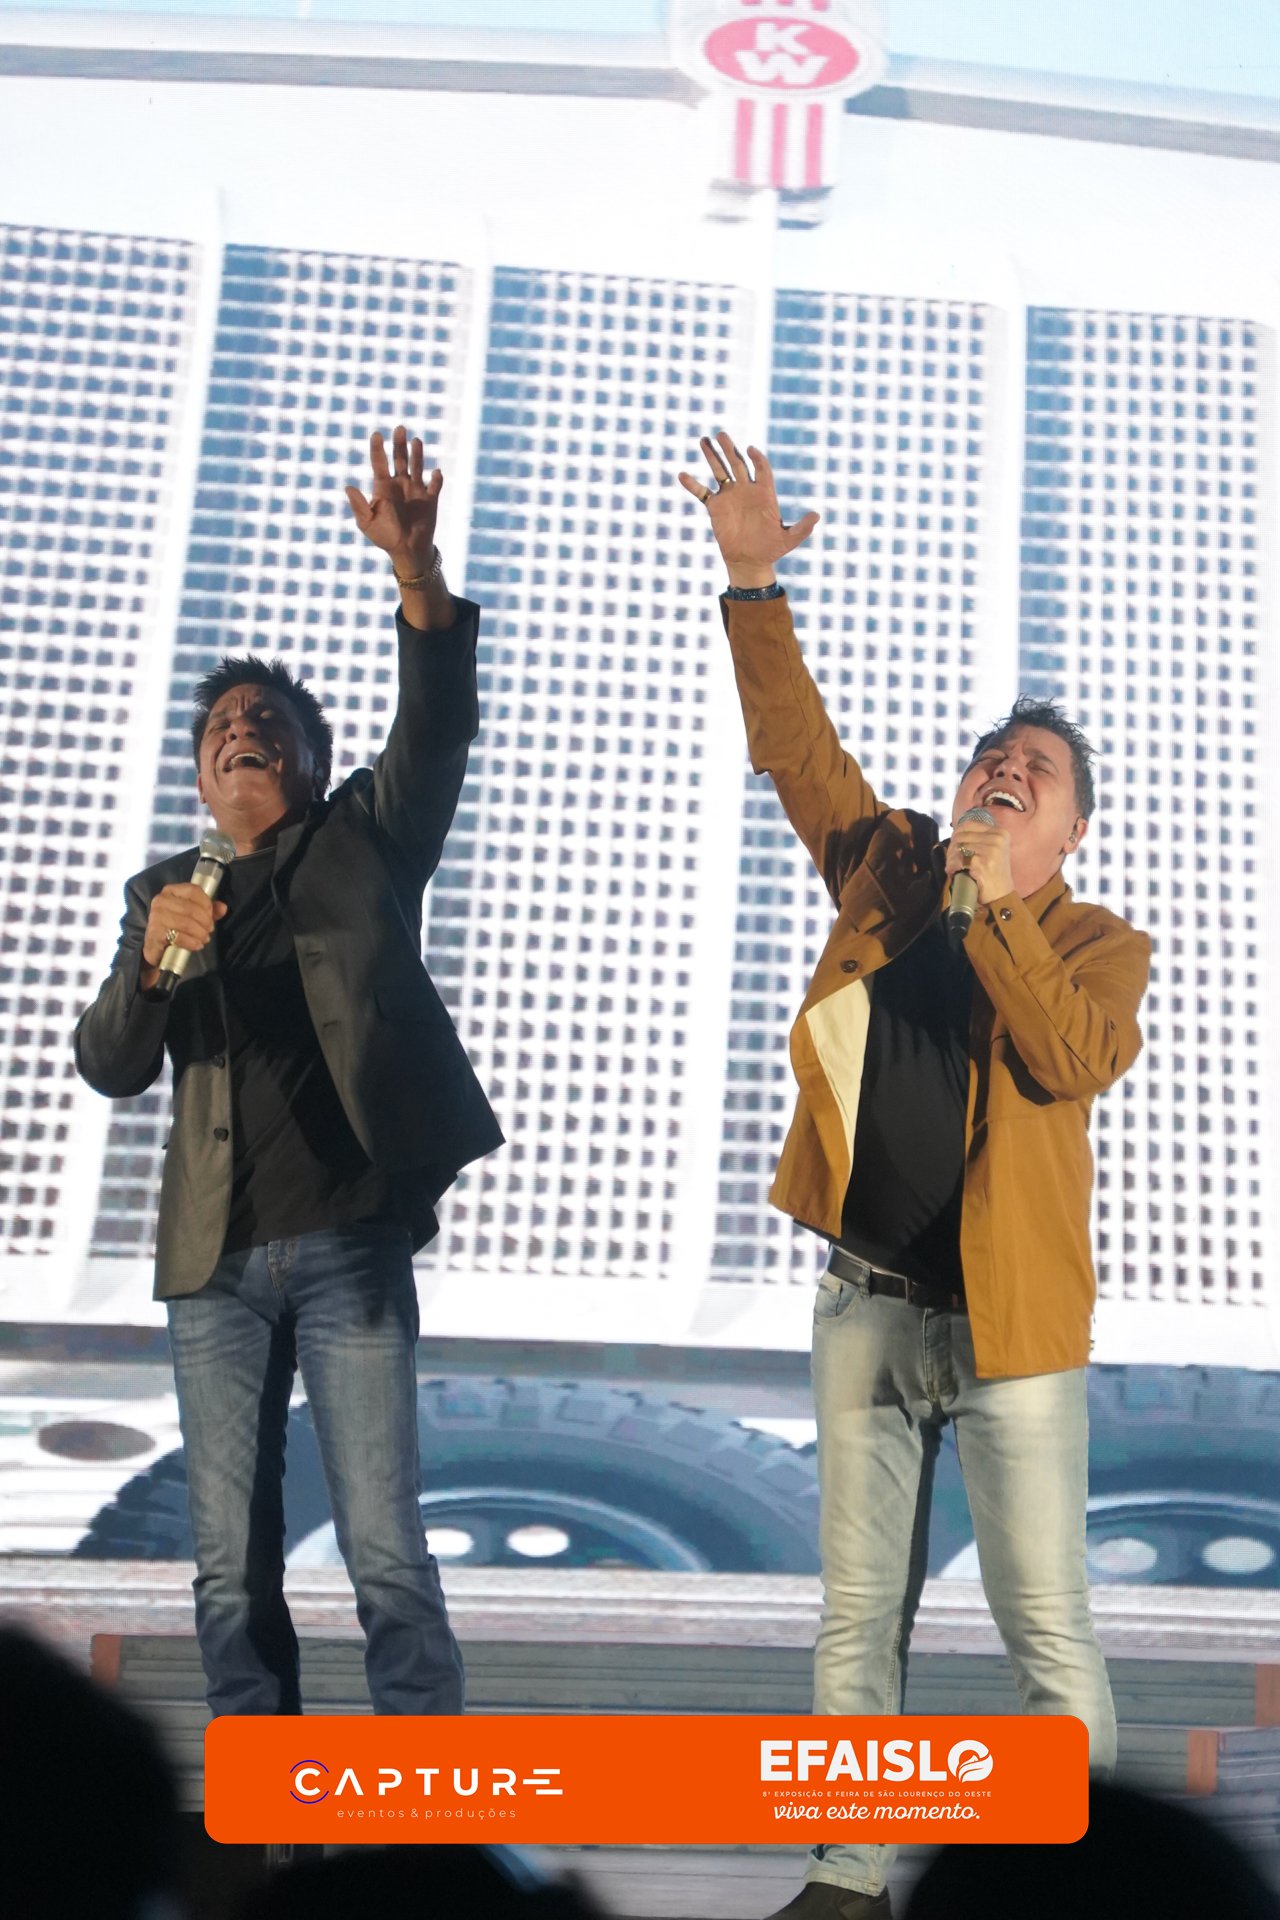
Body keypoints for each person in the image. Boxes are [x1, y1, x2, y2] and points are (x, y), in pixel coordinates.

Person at [678, 434, 1152, 1920]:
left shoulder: (1101, 945)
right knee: (856, 1622)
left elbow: (1072, 1059)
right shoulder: (886, 866)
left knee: (1047, 1634)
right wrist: (753, 584)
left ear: (1071, 830)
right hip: (868, 1302)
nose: (1003, 773)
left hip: (1015, 1332)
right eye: (991, 759)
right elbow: (798, 748)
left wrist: (995, 909)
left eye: (1036, 773)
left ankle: (1070, 1886)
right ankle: (848, 1877)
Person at [76, 426, 502, 1719]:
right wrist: (151, 968)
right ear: (204, 774)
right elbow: (111, 1065)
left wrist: (416, 574)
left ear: (310, 762)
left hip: (346, 1242)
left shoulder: (364, 837)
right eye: (222, 726)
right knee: (227, 1567)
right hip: (211, 1261)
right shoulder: (166, 890)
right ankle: (260, 1806)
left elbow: (436, 721)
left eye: (268, 721)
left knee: (384, 1550)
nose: (243, 730)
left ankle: (421, 1800)